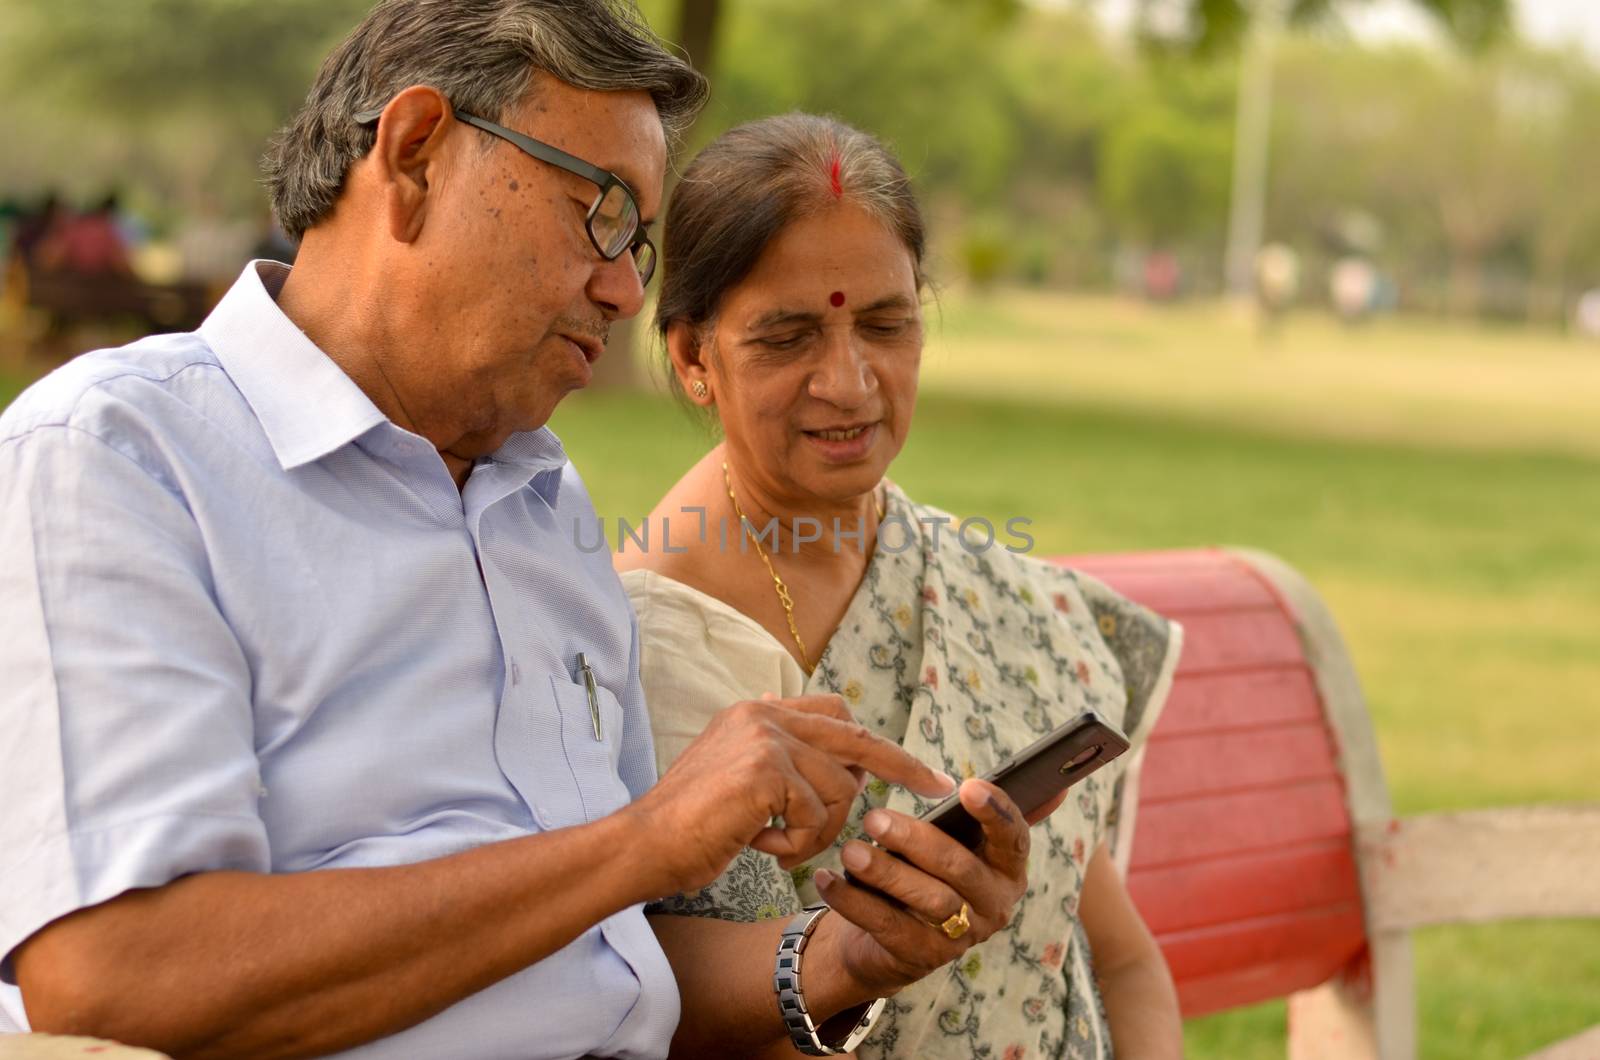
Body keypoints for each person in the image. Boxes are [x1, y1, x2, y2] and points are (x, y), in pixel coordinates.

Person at [0, 4, 1041, 1058]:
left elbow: (613, 959)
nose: (627, 287)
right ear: (414, 159)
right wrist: (644, 839)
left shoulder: (539, 504)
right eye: (599, 213)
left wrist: (842, 960)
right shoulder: (124, 455)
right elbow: (113, 983)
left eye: (638, 242)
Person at [615, 114, 1186, 1059]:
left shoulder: (982, 590)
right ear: (690, 357)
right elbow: (686, 1018)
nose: (848, 382)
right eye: (788, 337)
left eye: (885, 324)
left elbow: (1122, 964)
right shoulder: (656, 647)